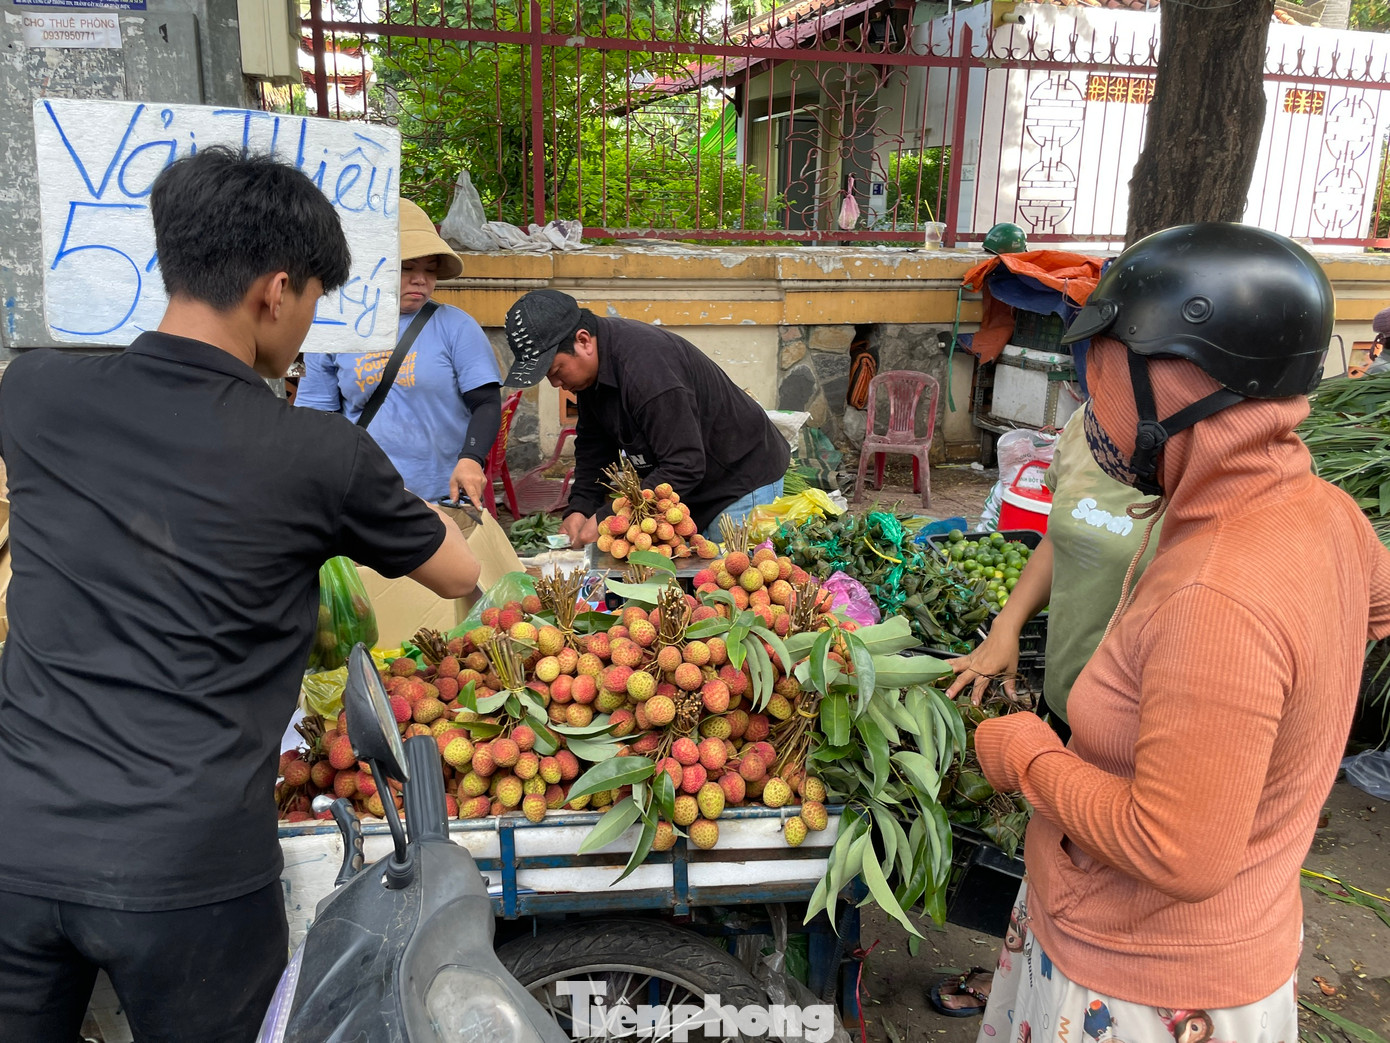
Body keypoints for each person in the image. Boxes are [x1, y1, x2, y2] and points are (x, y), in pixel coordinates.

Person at [0, 147, 480, 1043]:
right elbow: (458, 570)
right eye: (311, 305)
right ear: (276, 289)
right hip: (189, 874)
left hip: (16, 843)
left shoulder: (33, 392)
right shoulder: (315, 454)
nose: (306, 330)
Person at [968, 223, 1390, 1043]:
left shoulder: (1216, 593)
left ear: (1183, 379)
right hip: (1238, 946)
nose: (1091, 410)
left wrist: (1026, 754)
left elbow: (1175, 852)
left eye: (1105, 382)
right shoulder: (1327, 514)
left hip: (1140, 987)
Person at [929, 406, 1162, 1017]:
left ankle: (1093, 1005)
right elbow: (1061, 537)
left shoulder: (1198, 455)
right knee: (1048, 853)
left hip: (1146, 721)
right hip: (1067, 689)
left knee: (1118, 886)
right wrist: (1007, 625)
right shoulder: (1090, 424)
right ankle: (1029, 975)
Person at [501, 289, 790, 545]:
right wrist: (581, 508)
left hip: (738, 481)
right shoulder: (590, 375)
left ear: (583, 341)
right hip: (688, 486)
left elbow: (685, 463)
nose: (556, 384)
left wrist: (609, 517)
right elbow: (593, 449)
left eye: (555, 371)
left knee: (720, 591)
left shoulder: (647, 372)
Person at [295, 198, 503, 508]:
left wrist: (471, 459)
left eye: (430, 270)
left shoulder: (456, 327)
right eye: (407, 268)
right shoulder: (337, 329)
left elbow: (485, 403)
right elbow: (318, 417)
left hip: (443, 497)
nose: (421, 279)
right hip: (363, 497)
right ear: (376, 266)